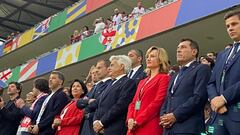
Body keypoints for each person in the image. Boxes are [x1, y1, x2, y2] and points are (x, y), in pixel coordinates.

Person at [160, 38, 211, 134]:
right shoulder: (174, 75)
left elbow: (199, 97)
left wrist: (175, 115)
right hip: (168, 129)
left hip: (188, 128)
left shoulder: (202, 69)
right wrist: (163, 117)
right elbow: (168, 99)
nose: (178, 50)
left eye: (183, 47)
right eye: (178, 48)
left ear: (194, 51)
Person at [207, 10, 240, 135]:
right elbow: (211, 83)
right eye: (227, 26)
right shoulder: (222, 54)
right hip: (218, 116)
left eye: (234, 24)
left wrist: (224, 98)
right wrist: (216, 100)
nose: (230, 28)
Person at [127, 46, 170, 135]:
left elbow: (157, 102)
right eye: (147, 56)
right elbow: (133, 103)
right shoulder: (142, 81)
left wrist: (138, 120)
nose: (148, 59)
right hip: (133, 126)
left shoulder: (164, 78)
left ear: (161, 59)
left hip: (149, 125)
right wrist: (130, 119)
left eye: (152, 56)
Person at [93, 55, 137, 135]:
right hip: (100, 130)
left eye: (112, 65)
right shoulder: (110, 84)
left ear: (121, 66)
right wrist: (96, 121)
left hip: (114, 129)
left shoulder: (128, 82)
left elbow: (120, 106)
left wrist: (102, 123)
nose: (109, 68)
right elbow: (99, 104)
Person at [78, 59, 112, 135]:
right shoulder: (95, 86)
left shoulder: (110, 84)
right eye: (96, 68)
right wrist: (88, 101)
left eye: (99, 68)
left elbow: (98, 103)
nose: (96, 71)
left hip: (97, 126)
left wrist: (86, 108)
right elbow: (79, 103)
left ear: (108, 69)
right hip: (85, 126)